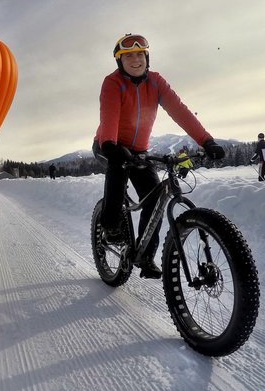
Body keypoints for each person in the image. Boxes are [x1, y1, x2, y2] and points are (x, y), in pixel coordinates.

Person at [93, 33, 225, 279]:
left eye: (140, 54)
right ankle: (110, 226)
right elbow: (108, 116)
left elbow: (180, 111)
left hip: (139, 150)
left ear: (147, 57)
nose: (135, 60)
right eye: (128, 55)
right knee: (117, 171)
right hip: (108, 145)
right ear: (119, 61)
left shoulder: (155, 82)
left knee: (153, 198)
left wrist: (207, 141)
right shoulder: (112, 83)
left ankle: (144, 256)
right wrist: (111, 145)